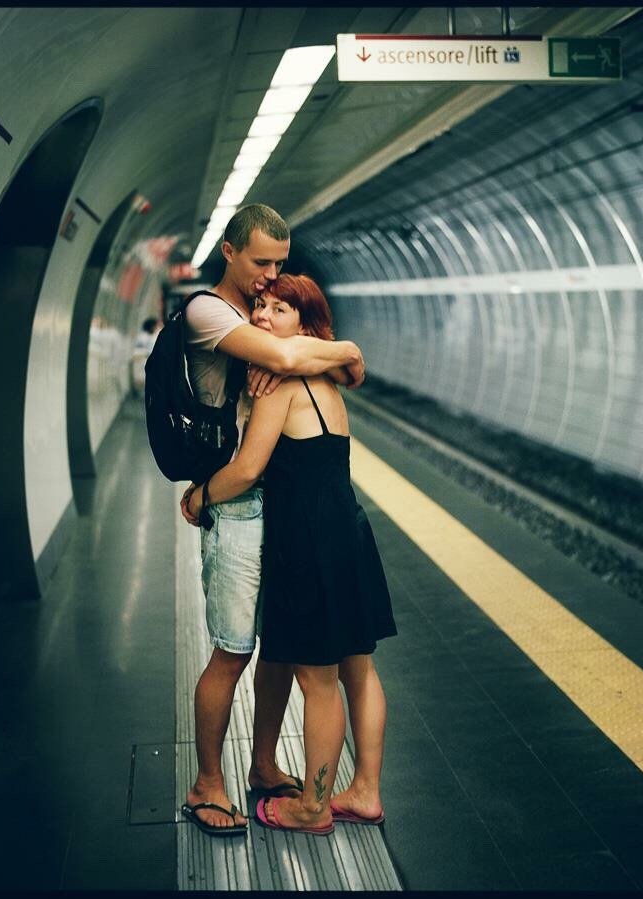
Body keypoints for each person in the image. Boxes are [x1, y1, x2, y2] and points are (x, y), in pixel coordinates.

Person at [184, 273, 396, 836]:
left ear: (303, 324)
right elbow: (346, 361)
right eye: (259, 306)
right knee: (359, 667)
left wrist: (199, 496)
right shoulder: (326, 379)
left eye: (279, 309)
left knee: (319, 681)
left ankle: (313, 806)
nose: (262, 316)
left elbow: (249, 469)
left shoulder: (279, 385)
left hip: (307, 543)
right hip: (349, 531)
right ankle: (365, 792)